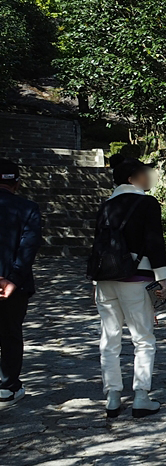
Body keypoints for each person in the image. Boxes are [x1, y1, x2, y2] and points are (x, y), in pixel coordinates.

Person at [90, 155, 166, 418]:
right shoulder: (147, 203)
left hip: (105, 280)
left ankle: (112, 397)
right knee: (143, 339)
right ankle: (141, 397)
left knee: (109, 339)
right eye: (144, 173)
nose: (148, 177)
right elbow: (155, 242)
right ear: (132, 178)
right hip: (137, 277)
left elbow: (99, 246)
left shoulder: (106, 206)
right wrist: (162, 278)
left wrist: (96, 281)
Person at [0, 159, 41, 407]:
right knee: (11, 333)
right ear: (16, 183)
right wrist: (12, 279)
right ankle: (7, 386)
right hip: (15, 285)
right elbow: (28, 247)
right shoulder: (28, 208)